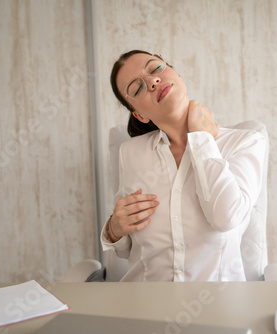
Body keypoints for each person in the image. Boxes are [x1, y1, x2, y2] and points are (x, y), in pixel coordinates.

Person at [101, 50, 267, 282]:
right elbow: (127, 249)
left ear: (176, 74)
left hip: (215, 308)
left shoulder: (245, 142)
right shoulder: (130, 153)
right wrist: (113, 230)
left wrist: (202, 139)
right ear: (139, 116)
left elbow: (225, 218)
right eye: (136, 88)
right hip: (142, 302)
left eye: (155, 68)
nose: (152, 81)